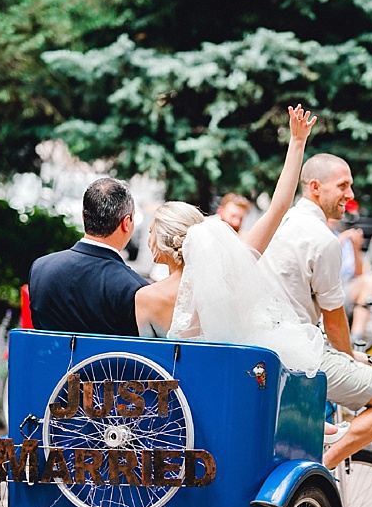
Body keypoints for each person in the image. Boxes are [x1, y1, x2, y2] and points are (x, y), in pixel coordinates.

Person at [261, 153, 372, 468]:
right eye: (343, 185)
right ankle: (326, 464)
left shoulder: (281, 222)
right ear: (315, 187)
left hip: (267, 345)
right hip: (302, 354)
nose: (351, 195)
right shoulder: (323, 240)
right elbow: (335, 321)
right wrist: (348, 354)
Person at [136, 104, 316, 339]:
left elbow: (149, 364)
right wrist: (297, 142)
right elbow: (278, 209)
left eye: (151, 232)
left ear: (163, 241)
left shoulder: (146, 298)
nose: (148, 239)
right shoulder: (229, 278)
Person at [28, 178, 149, 336]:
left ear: (84, 217)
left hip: (51, 360)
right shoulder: (134, 288)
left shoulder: (41, 268)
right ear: (126, 223)